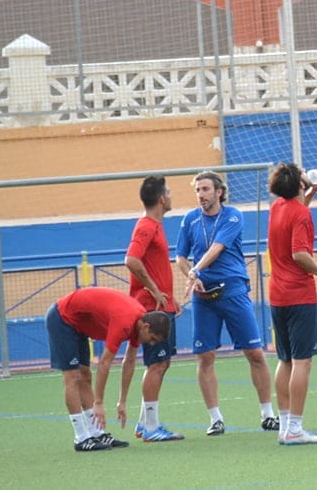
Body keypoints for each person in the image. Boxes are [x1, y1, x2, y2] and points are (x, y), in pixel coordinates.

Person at [176, 170, 279, 435]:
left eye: (206, 189)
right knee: (204, 356)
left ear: (219, 191)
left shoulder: (233, 215)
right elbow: (180, 257)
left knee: (255, 353)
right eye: (198, 190)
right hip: (203, 297)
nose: (201, 195)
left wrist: (195, 270)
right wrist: (190, 273)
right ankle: (215, 419)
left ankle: (268, 414)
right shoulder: (189, 220)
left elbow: (217, 248)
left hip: (233, 291)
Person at [46, 286, 169, 452]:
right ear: (146, 327)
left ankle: (96, 433)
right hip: (63, 319)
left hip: (79, 325)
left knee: (85, 375)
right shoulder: (124, 321)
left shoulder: (139, 323)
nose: (151, 343)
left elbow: (130, 362)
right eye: (153, 339)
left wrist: (122, 402)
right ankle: (81, 437)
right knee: (73, 377)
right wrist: (99, 402)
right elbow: (104, 363)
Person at [267, 162, 317, 445]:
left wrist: (310, 193)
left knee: (284, 360)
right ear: (298, 183)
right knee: (302, 362)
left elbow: (295, 213)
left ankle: (286, 425)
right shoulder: (301, 215)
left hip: (277, 296)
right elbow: (299, 253)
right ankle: (295, 428)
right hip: (299, 295)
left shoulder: (278, 208)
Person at [121, 175, 186, 442]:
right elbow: (132, 260)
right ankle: (151, 427)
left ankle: (144, 422)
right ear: (161, 198)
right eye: (168, 192)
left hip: (162, 305)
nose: (171, 196)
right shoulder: (146, 226)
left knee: (163, 362)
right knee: (156, 363)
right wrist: (155, 290)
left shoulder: (156, 226)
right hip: (151, 309)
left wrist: (169, 297)